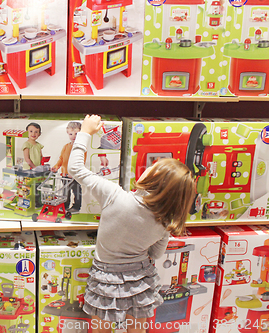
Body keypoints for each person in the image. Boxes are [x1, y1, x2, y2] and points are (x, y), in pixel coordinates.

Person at [67, 115, 196, 333]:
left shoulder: (115, 195)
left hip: (106, 276)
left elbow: (75, 169)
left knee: (101, 328)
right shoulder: (165, 222)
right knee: (137, 328)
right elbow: (155, 254)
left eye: (154, 166)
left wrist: (85, 133)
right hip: (140, 277)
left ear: (153, 178)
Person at [52, 121, 86, 213]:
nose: (73, 136)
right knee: (65, 192)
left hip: (75, 176)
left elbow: (81, 162)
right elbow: (61, 159)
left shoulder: (81, 148)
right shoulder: (66, 147)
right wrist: (56, 166)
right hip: (64, 174)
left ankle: (76, 207)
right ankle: (65, 205)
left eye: (76, 134)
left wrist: (74, 173)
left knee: (76, 191)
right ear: (68, 133)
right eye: (71, 134)